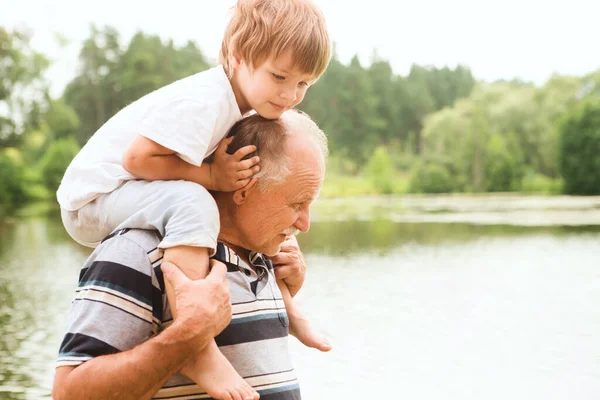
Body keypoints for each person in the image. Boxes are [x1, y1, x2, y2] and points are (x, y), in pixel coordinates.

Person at [55, 1, 331, 398]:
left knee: (193, 205)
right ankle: (200, 351)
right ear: (238, 58)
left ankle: (293, 314)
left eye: (304, 84)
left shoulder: (252, 250)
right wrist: (211, 175)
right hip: (96, 195)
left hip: (140, 188)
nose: (290, 94)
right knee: (192, 202)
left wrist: (282, 291)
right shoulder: (205, 103)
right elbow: (138, 159)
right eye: (280, 76)